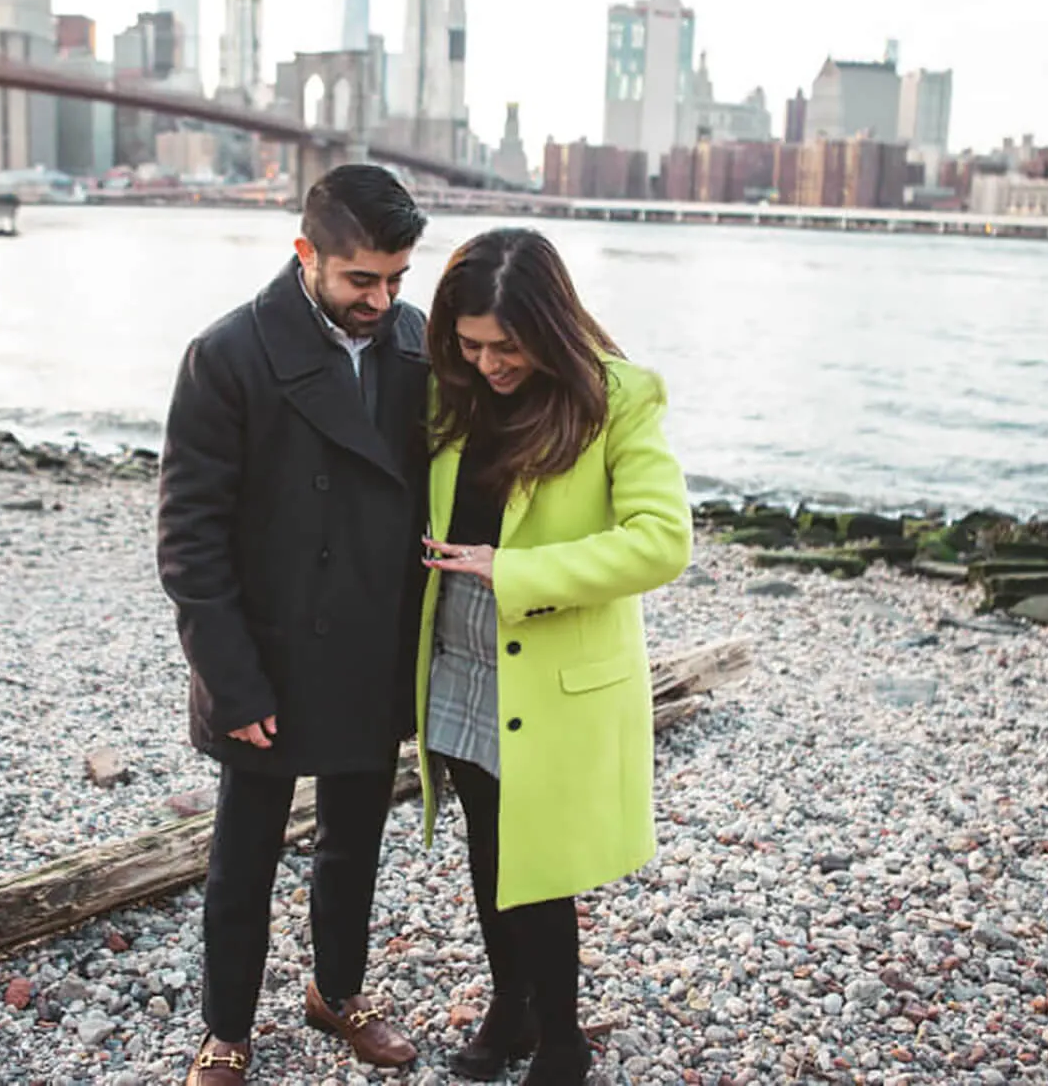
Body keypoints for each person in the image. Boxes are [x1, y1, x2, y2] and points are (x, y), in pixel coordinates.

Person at [156, 165, 432, 1085]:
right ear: (306, 253)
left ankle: (337, 993)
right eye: (362, 279)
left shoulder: (413, 344)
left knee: (355, 844)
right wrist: (230, 678)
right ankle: (226, 1030)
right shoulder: (228, 355)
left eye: (397, 277)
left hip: (371, 644)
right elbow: (189, 540)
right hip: (266, 655)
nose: (382, 299)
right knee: (244, 859)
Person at [416, 228, 693, 1084]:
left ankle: (563, 1037)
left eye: (507, 344)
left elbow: (663, 542)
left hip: (547, 655)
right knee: (487, 841)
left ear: (550, 322)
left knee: (536, 858)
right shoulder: (450, 389)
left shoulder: (618, 398)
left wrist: (519, 571)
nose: (489, 361)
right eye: (471, 343)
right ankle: (511, 1004)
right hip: (457, 647)